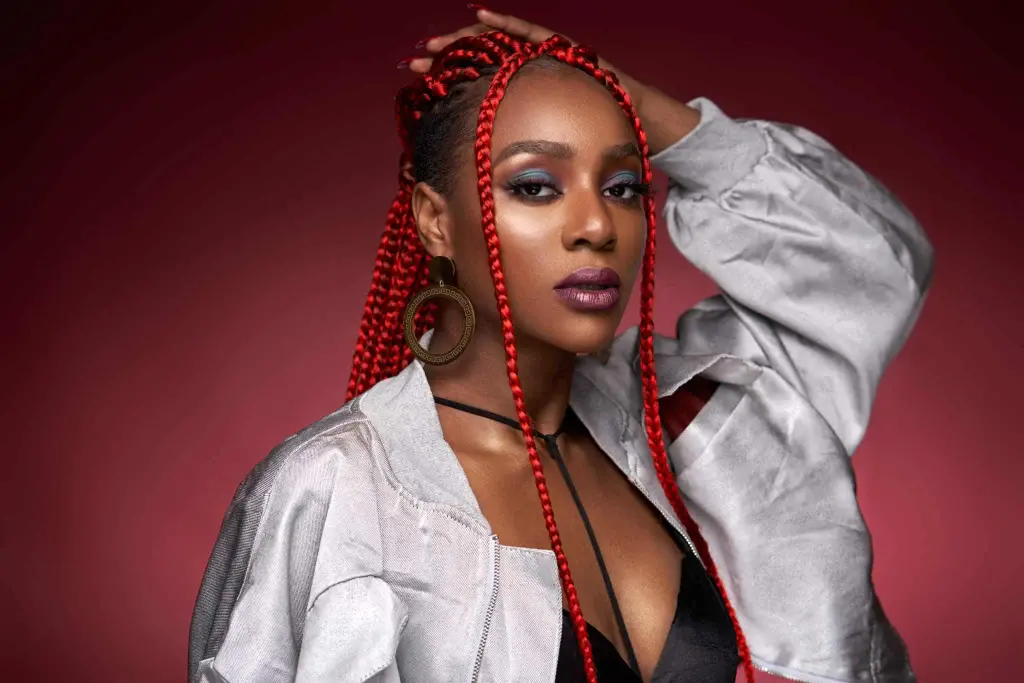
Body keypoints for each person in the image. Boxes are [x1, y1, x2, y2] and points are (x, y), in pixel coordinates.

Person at [188, 9, 932, 683]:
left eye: (624, 186)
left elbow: (866, 273)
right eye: (537, 186)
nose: (597, 227)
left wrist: (645, 111)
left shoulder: (683, 425)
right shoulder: (336, 490)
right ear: (435, 221)